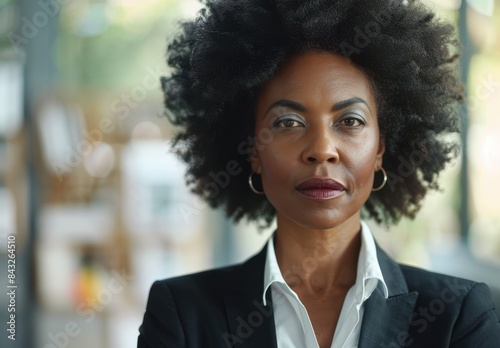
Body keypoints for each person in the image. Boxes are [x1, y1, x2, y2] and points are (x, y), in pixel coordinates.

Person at [138, 0, 500, 347]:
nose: (322, 149)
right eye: (288, 122)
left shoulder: (457, 316)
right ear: (253, 151)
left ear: (380, 149)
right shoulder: (182, 314)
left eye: (350, 121)